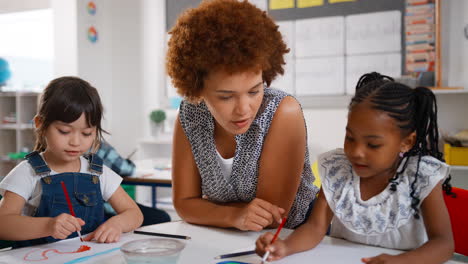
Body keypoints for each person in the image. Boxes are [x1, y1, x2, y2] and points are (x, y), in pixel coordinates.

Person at [255, 72, 454, 263]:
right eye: (350, 138)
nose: (357, 152)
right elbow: (315, 228)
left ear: (407, 142)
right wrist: (285, 247)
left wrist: (402, 261)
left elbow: (443, 244)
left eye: (373, 145)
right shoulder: (338, 170)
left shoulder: (421, 176)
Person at [166, 0, 319, 231]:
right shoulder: (190, 114)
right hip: (225, 238)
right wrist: (234, 217)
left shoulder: (283, 112)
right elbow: (184, 204)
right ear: (197, 88)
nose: (244, 109)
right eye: (226, 97)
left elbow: (270, 217)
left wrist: (208, 210)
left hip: (292, 240)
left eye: (254, 91)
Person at [0, 77, 143, 248]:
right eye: (64, 131)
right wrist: (47, 226)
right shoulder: (27, 172)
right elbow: (3, 224)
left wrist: (117, 224)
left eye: (86, 133)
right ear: (40, 124)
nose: (75, 142)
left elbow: (135, 214)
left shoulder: (96, 171)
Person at [96, 141, 171, 225]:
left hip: (106, 210)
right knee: (162, 217)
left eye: (86, 134)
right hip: (106, 210)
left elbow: (132, 212)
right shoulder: (98, 148)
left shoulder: (100, 170)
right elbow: (126, 169)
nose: (77, 142)